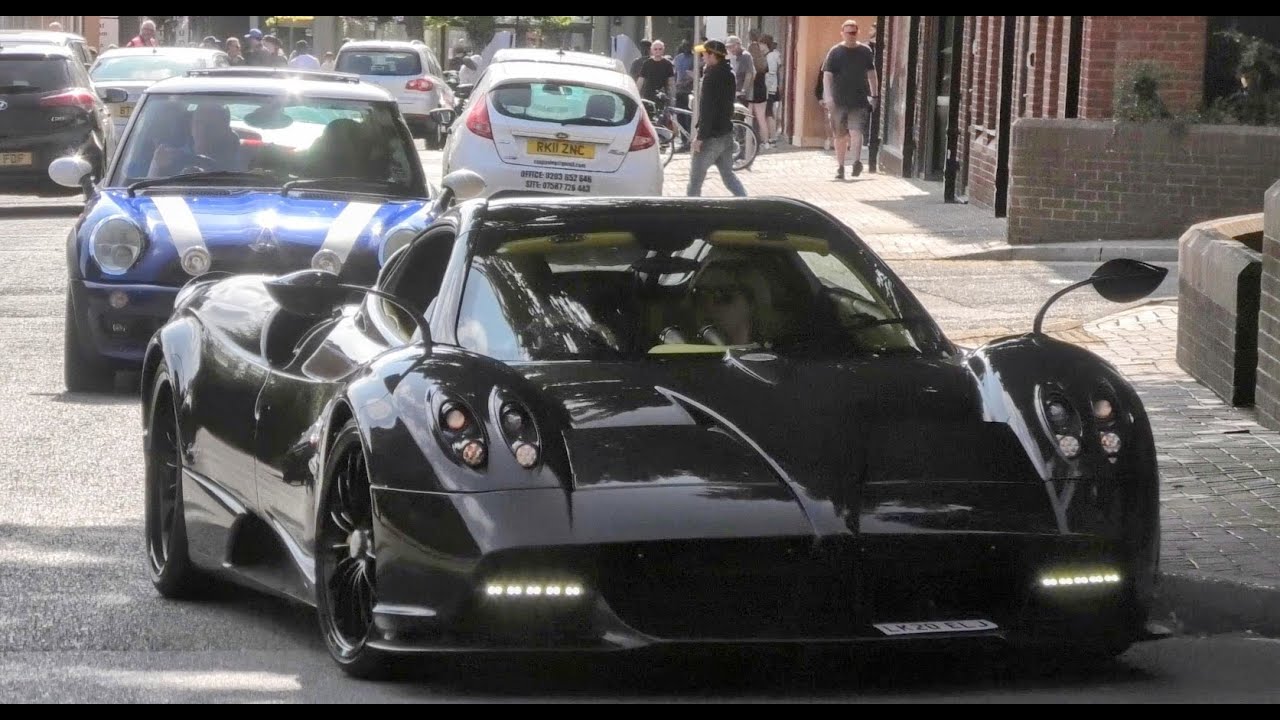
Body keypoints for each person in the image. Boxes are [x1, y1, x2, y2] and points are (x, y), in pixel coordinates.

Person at [686, 40, 747, 198]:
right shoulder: (729, 74)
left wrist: (700, 137)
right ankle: (746, 203)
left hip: (711, 137)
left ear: (713, 55)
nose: (703, 57)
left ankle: (688, 215)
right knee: (728, 176)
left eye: (705, 54)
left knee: (695, 181)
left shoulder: (710, 77)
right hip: (726, 133)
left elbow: (708, 110)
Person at [822, 19, 878, 179]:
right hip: (838, 100)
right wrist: (828, 97)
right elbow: (827, 76)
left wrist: (875, 95)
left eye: (854, 32)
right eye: (848, 32)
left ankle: (856, 162)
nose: (851, 35)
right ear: (842, 33)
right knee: (839, 135)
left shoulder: (865, 51)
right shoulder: (835, 52)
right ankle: (840, 166)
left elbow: (872, 74)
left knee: (856, 131)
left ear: (857, 32)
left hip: (859, 99)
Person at [148, 102, 244, 176]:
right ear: (191, 125)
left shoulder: (233, 159)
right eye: (198, 123)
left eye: (211, 126)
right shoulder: (169, 154)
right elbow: (145, 190)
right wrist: (159, 167)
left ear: (224, 130)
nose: (202, 130)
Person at [636, 39, 675, 104]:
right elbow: (640, 81)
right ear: (651, 50)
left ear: (663, 50)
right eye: (655, 49)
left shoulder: (668, 64)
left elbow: (671, 83)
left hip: (663, 96)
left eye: (660, 49)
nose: (658, 51)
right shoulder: (647, 63)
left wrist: (672, 98)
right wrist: (637, 95)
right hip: (648, 96)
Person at [764, 35, 783, 146]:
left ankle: (772, 136)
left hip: (769, 87)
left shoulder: (770, 56)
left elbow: (771, 72)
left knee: (768, 112)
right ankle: (773, 134)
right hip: (773, 86)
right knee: (771, 111)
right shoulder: (775, 55)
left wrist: (768, 85)